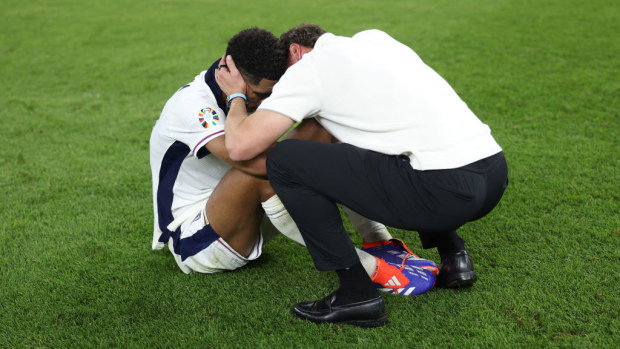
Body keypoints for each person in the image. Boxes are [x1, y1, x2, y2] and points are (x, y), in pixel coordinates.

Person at [215, 24, 509, 328]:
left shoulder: (310, 68)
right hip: (493, 171)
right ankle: (455, 255)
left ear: (295, 51)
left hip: (443, 193)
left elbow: (240, 146)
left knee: (284, 159)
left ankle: (357, 294)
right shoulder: (376, 40)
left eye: (283, 74)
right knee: (391, 141)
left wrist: (236, 95)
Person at [150, 27, 437, 294]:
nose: (266, 105)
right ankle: (371, 269)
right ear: (232, 75)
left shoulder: (255, 81)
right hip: (197, 239)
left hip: (250, 216)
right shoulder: (192, 106)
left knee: (326, 123)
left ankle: (378, 239)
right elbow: (252, 162)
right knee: (268, 168)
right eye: (260, 96)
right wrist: (238, 98)